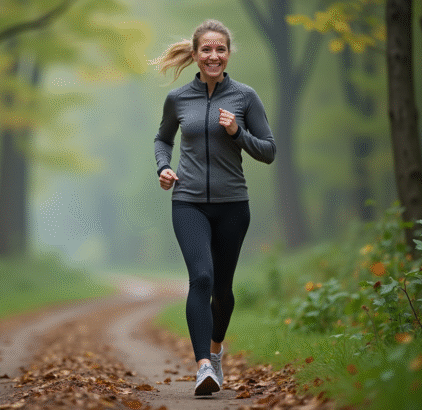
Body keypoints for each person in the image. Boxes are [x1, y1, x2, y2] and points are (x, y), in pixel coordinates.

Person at [151, 19, 276, 396]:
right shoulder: (178, 100)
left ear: (228, 54)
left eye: (220, 49)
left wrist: (238, 132)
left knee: (222, 289)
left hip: (233, 205)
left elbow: (268, 151)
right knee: (201, 279)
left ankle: (217, 351)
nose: (213, 55)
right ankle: (203, 364)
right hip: (187, 202)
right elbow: (162, 139)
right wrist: (164, 167)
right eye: (206, 49)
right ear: (194, 54)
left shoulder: (245, 97)